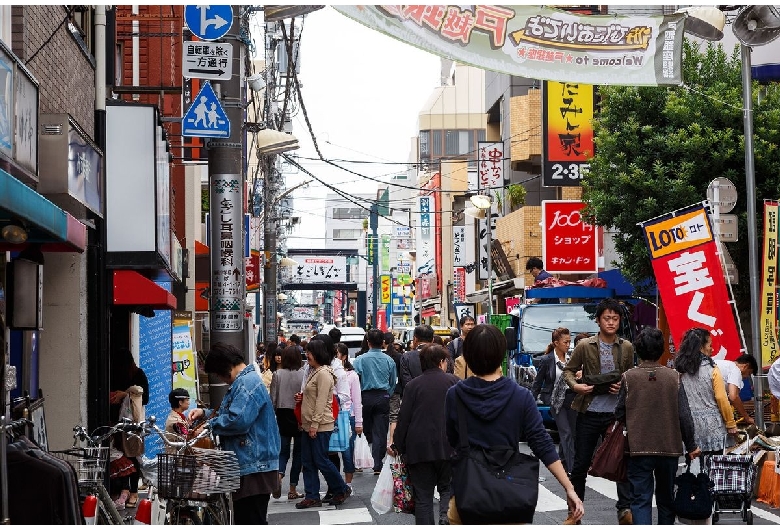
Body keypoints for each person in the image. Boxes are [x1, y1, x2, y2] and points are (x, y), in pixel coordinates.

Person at [445, 324, 584, 524]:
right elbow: (542, 444)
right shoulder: (520, 396)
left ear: (468, 355)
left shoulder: (455, 395)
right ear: (501, 354)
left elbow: (450, 439)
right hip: (508, 496)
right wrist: (569, 488)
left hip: (467, 495)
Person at [615, 327, 701, 525]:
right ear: (662, 350)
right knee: (666, 498)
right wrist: (691, 445)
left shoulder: (628, 377)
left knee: (640, 499)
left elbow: (619, 412)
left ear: (638, 350)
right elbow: (684, 415)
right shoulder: (674, 377)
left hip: (638, 449)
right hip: (669, 449)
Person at [188, 342, 281, 524]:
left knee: (250, 520)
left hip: (255, 466)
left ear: (226, 368)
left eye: (217, 374)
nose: (220, 378)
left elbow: (238, 420)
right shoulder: (247, 381)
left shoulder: (246, 383)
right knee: (248, 518)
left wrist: (209, 425)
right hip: (254, 464)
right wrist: (205, 413)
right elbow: (235, 413)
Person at [562, 298, 633, 525]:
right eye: (607, 318)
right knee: (580, 464)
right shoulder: (585, 346)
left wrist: (623, 385)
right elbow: (569, 371)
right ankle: (574, 512)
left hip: (616, 414)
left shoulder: (627, 347)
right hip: (589, 411)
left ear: (620, 321)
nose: (611, 322)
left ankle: (624, 510)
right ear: (598, 320)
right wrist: (576, 387)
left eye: (615, 318)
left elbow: (631, 376)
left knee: (622, 461)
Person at [393, 344, 458, 525]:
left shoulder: (413, 386)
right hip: (449, 446)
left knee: (423, 497)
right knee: (447, 489)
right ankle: (446, 520)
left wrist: (397, 444)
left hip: (419, 448)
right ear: (441, 362)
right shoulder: (454, 382)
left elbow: (404, 418)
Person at [294, 339, 350, 508]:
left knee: (320, 459)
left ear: (318, 353)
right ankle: (312, 495)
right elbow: (312, 396)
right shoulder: (313, 371)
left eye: (309, 352)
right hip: (308, 423)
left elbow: (322, 401)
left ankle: (341, 488)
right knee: (308, 461)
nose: (307, 355)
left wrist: (314, 425)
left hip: (320, 424)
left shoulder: (324, 373)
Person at [674, 328, 738, 455]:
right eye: (710, 345)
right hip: (714, 428)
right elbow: (721, 397)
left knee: (694, 468)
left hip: (690, 428)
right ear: (701, 347)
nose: (712, 349)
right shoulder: (712, 369)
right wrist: (730, 423)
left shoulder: (680, 371)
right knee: (715, 468)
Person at [352, 328, 397, 474]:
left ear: (368, 342)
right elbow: (393, 382)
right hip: (382, 396)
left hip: (364, 396)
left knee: (360, 427)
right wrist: (387, 394)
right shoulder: (389, 360)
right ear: (383, 343)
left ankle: (357, 461)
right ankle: (377, 464)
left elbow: (356, 381)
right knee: (380, 431)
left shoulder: (359, 360)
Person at [109, 347, 149, 509]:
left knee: (134, 455)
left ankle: (133, 492)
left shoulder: (138, 374)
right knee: (121, 455)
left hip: (134, 423)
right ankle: (124, 490)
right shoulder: (115, 373)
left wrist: (125, 395)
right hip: (117, 422)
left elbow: (144, 398)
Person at [532, 327, 575, 472]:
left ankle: (563, 462)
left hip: (572, 398)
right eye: (565, 342)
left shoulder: (572, 357)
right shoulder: (547, 360)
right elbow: (537, 383)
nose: (568, 345)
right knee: (566, 432)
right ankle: (571, 468)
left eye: (570, 342)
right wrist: (530, 404)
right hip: (555, 400)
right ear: (556, 343)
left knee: (571, 434)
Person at [270, 345, 305, 500]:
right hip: (299, 414)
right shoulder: (303, 374)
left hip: (282, 414)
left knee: (282, 451)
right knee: (298, 453)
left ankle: (279, 475)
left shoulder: (277, 374)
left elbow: (273, 399)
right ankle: (292, 489)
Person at [336, 342, 363, 490]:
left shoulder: (352, 375)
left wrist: (359, 422)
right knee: (332, 451)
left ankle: (348, 484)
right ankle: (336, 484)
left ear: (344, 357)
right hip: (333, 415)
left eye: (337, 355)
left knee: (347, 451)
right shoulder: (329, 372)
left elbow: (357, 400)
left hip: (348, 416)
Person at [714, 354, 758, 425]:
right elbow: (733, 396)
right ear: (745, 366)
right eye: (749, 373)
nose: (747, 377)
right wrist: (746, 417)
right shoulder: (735, 370)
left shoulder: (724, 365)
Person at [164, 388, 190, 452]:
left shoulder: (179, 416)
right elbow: (187, 437)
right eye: (187, 400)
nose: (189, 402)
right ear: (180, 402)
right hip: (176, 458)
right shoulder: (175, 421)